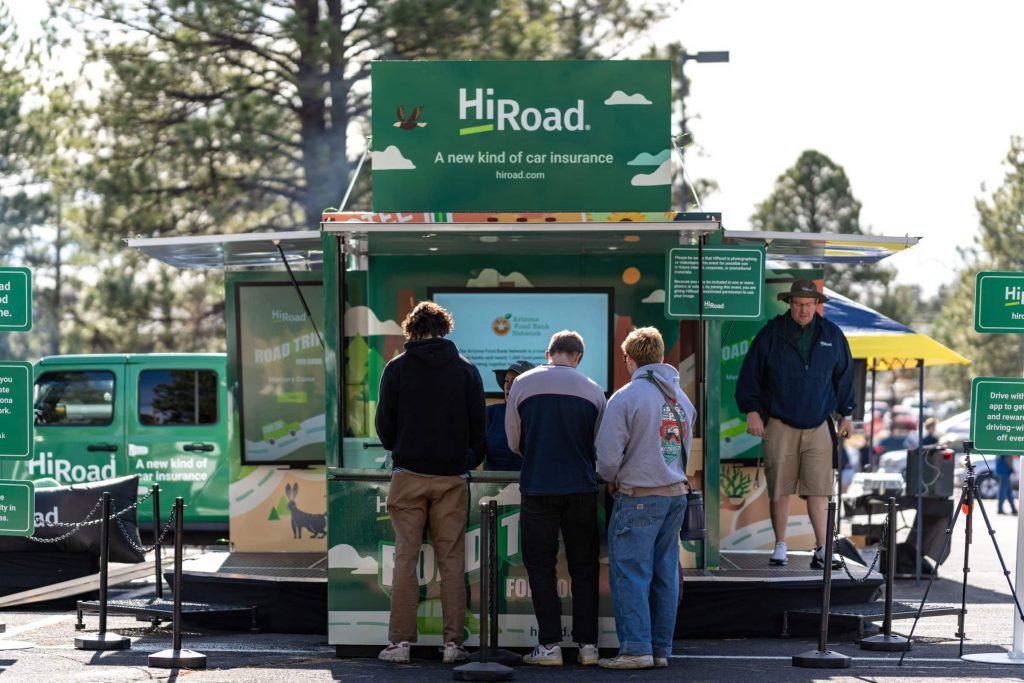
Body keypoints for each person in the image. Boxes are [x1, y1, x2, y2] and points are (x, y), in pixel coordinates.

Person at [374, 301, 486, 665]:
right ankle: (454, 644)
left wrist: (401, 450)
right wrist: (463, 462)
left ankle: (400, 644)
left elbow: (383, 426)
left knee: (406, 558)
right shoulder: (466, 370)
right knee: (452, 560)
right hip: (452, 479)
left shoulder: (396, 368)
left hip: (408, 476)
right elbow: (479, 431)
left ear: (412, 330)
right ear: (445, 329)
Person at [735, 279, 855, 570]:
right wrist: (751, 411)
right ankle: (780, 545)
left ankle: (823, 549)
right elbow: (750, 375)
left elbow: (845, 376)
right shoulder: (771, 333)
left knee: (820, 489)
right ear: (790, 304)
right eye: (798, 305)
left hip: (819, 424)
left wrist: (847, 413)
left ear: (817, 305)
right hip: (779, 422)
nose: (803, 310)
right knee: (780, 487)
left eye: (809, 305)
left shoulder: (832, 334)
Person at [595, 327, 695, 670]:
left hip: (638, 496)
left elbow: (607, 458)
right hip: (675, 496)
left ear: (630, 360)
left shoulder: (625, 397)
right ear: (661, 357)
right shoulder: (683, 400)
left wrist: (610, 478)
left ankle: (636, 649)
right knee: (665, 574)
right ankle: (659, 648)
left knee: (630, 573)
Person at [505, 330, 606, 667]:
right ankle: (588, 646)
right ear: (577, 356)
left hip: (537, 486)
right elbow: (598, 447)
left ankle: (549, 646)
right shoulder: (594, 391)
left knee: (540, 567)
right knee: (584, 567)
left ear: (548, 352)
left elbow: (512, 441)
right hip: (581, 488)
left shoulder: (521, 384)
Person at [467, 360, 534, 471]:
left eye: (515, 381)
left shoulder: (539, 416)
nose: (508, 386)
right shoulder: (490, 414)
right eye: (506, 381)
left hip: (527, 485)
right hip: (494, 485)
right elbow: (474, 453)